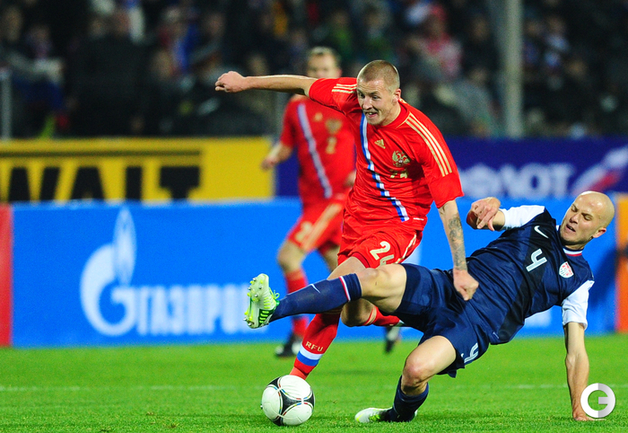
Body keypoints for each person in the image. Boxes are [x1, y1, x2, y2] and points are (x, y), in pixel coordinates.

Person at [244, 191, 615, 422]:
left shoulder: (580, 280)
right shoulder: (538, 216)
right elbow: (485, 220)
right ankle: (273, 309)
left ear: (598, 231)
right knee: (372, 278)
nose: (573, 218)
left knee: (415, 370)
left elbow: (576, 352)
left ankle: (397, 415)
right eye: (574, 209)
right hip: (448, 285)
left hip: (475, 326)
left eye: (586, 217)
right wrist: (485, 210)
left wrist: (578, 407)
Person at [216, 59, 478, 379]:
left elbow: (449, 209)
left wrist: (460, 270)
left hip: (397, 226)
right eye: (362, 95)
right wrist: (247, 82)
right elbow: (302, 83)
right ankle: (420, 316)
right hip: (355, 220)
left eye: (375, 97)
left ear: (396, 95)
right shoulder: (350, 97)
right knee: (354, 315)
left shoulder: (423, 137)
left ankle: (288, 357)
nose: (366, 104)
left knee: (337, 286)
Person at [260, 47, 356, 357]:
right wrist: (274, 156)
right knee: (347, 278)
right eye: (314, 70)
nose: (319, 75)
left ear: (337, 72)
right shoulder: (296, 106)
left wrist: (362, 170)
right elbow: (286, 144)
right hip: (311, 201)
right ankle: (393, 319)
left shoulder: (348, 103)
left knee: (288, 257)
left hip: (334, 198)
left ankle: (299, 334)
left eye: (325, 70)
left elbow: (373, 138)